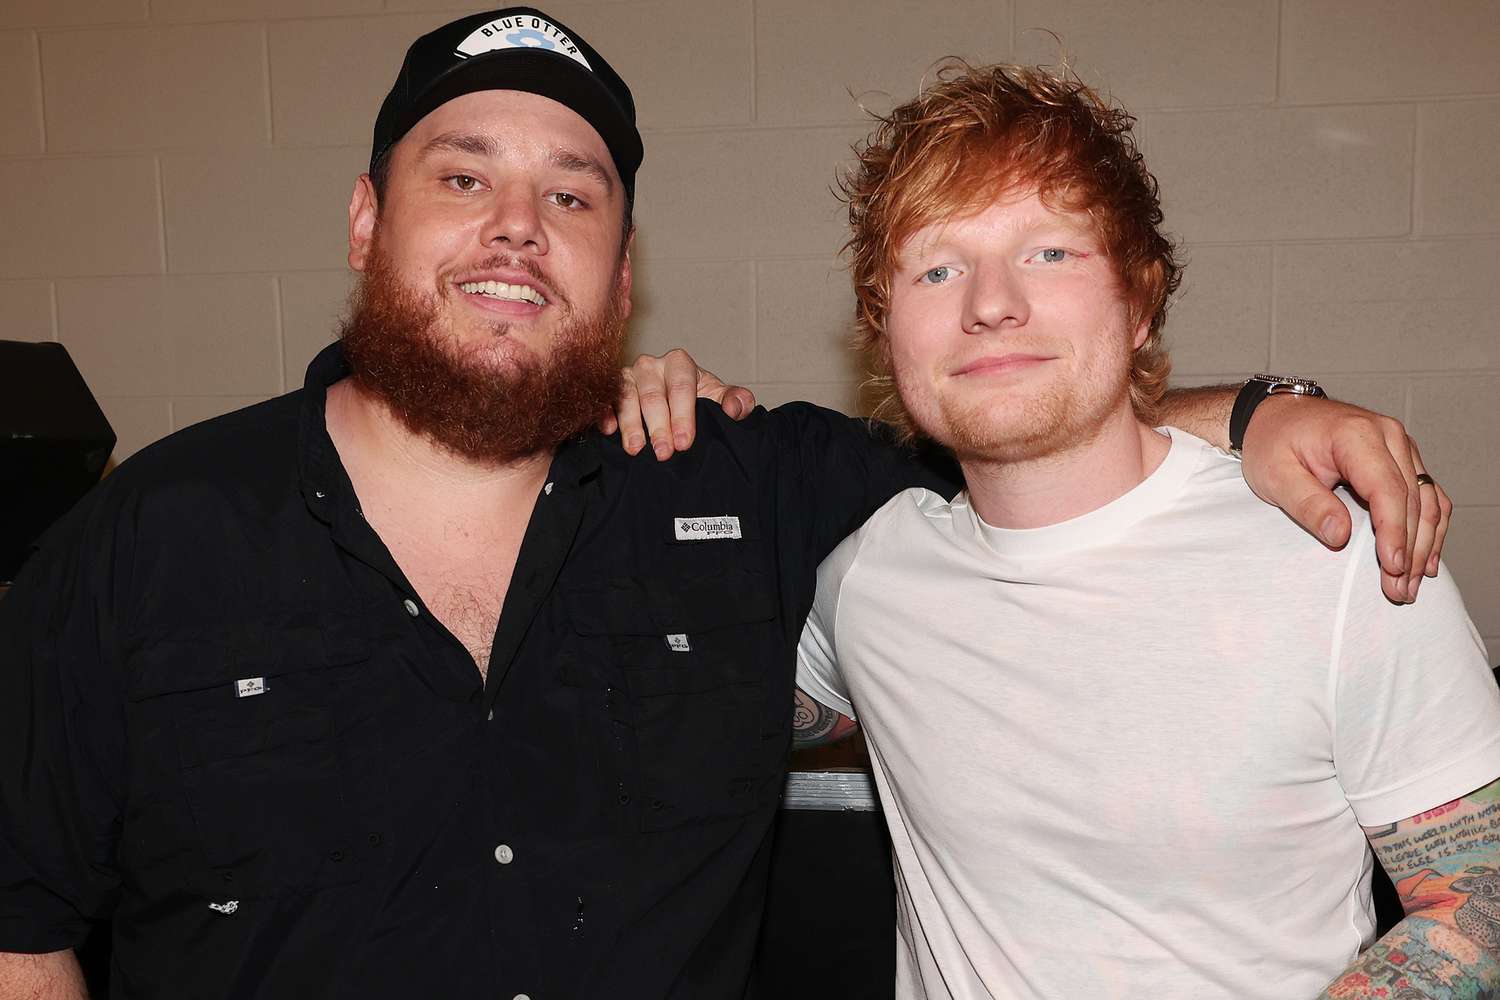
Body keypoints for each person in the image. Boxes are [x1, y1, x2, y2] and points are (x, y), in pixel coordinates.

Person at [0, 9, 1449, 999]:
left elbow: (1031, 434)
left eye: (575, 195)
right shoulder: (146, 539)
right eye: (463, 176)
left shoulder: (753, 499)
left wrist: (1268, 411)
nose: (518, 223)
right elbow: (20, 927)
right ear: (368, 220)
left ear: (622, 279)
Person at [787, 62, 1500, 998]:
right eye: (937, 266)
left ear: (1139, 302)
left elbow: (1478, 907)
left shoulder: (1337, 550)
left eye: (1050, 252)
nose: (991, 302)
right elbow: (725, 716)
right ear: (886, 336)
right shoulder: (869, 579)